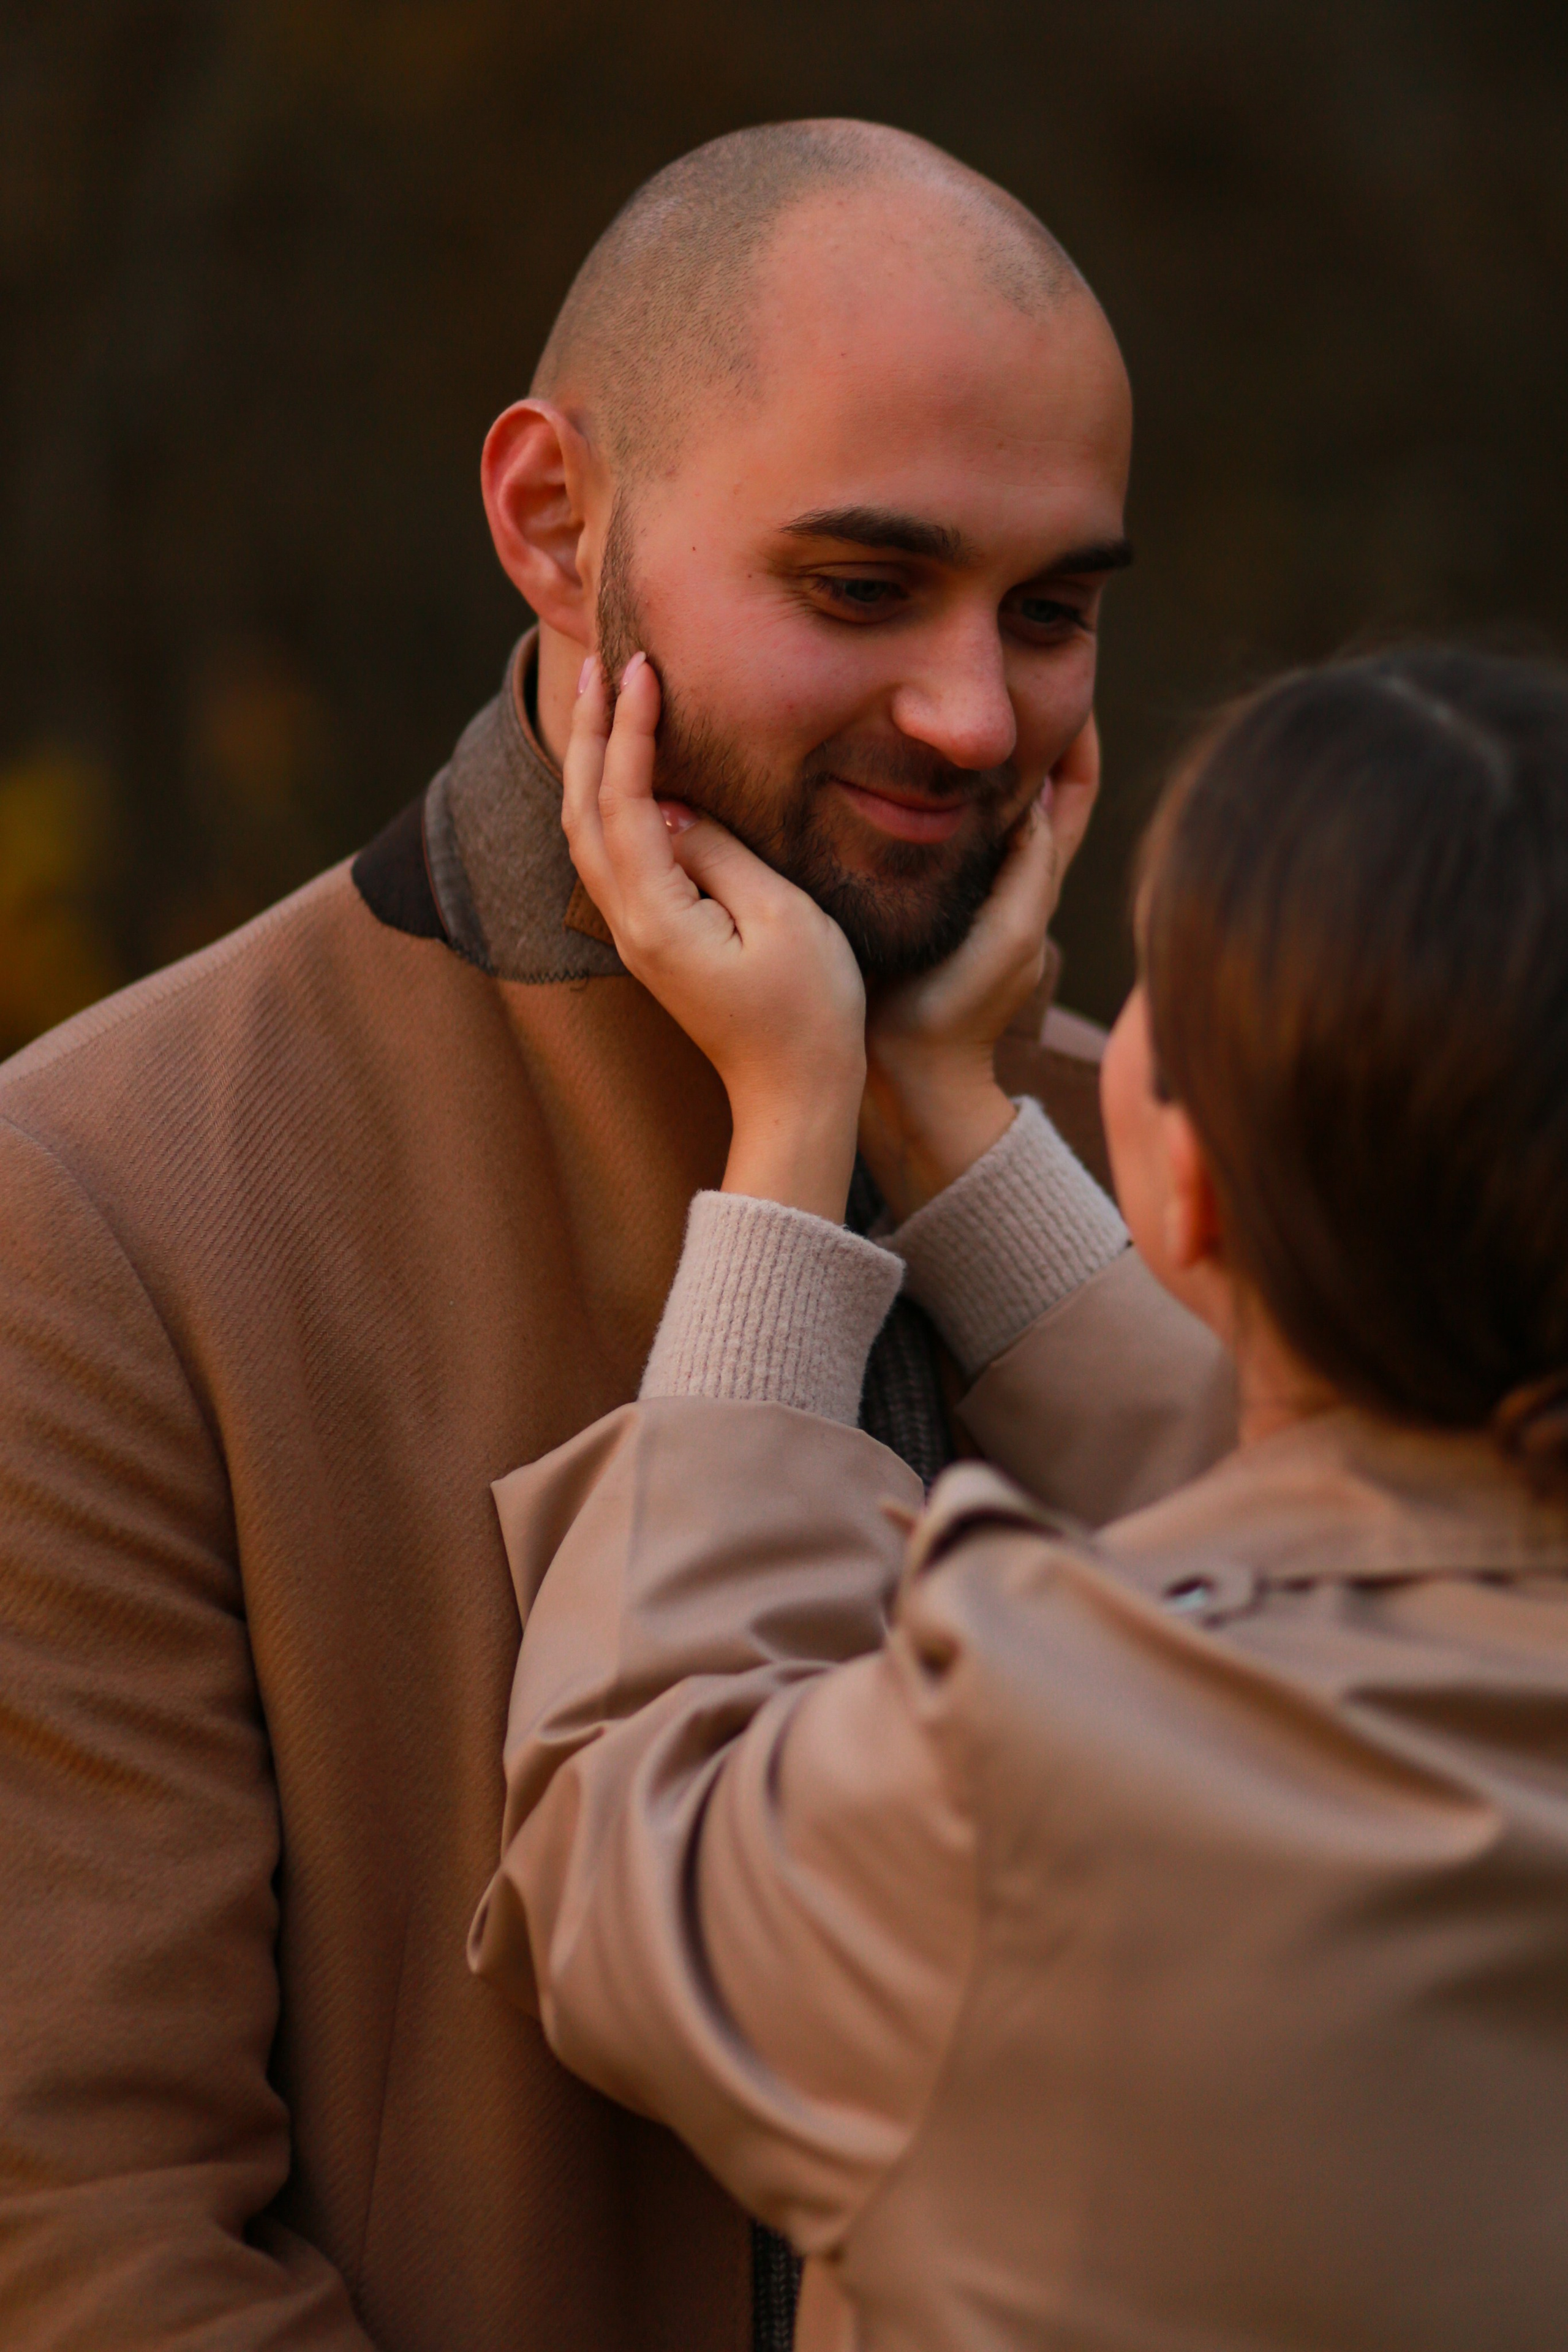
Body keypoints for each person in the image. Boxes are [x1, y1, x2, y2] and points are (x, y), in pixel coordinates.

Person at [0, 122, 1221, 2351]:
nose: (974, 716)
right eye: (864, 589)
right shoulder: (96, 1205)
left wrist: (971, 1152)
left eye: (1052, 614)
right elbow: (95, 2250)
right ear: (559, 527)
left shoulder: (1154, 1170)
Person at [470, 644, 1568, 2351]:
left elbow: (644, 1825)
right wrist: (950, 1122)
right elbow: (1377, 1572)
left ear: (1184, 1184)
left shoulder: (1024, 1785)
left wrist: (788, 1136)